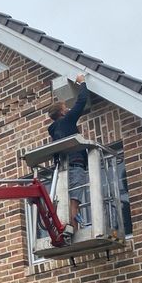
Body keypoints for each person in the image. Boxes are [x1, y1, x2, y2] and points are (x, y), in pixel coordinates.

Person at [47, 73, 90, 228]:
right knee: (74, 202)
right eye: (67, 108)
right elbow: (82, 101)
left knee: (62, 200)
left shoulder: (54, 130)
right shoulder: (67, 120)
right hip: (76, 164)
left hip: (62, 169)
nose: (69, 109)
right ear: (63, 113)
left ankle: (63, 228)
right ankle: (74, 230)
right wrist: (82, 82)